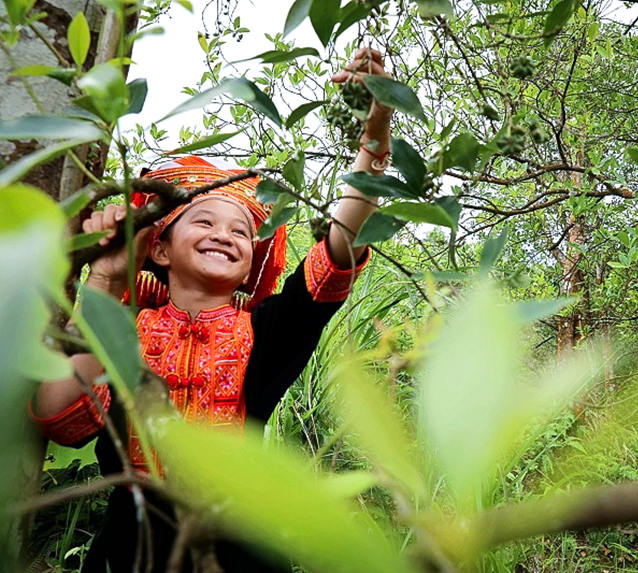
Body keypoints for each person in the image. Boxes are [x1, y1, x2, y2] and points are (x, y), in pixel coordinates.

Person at [30, 48, 392, 572]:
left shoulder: (266, 332)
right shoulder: (123, 327)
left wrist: (373, 135)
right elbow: (60, 417)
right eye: (203, 222)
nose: (224, 234)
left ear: (249, 267)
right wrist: (107, 277)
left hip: (246, 548)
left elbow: (341, 243)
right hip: (132, 554)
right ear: (158, 249)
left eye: (241, 231)